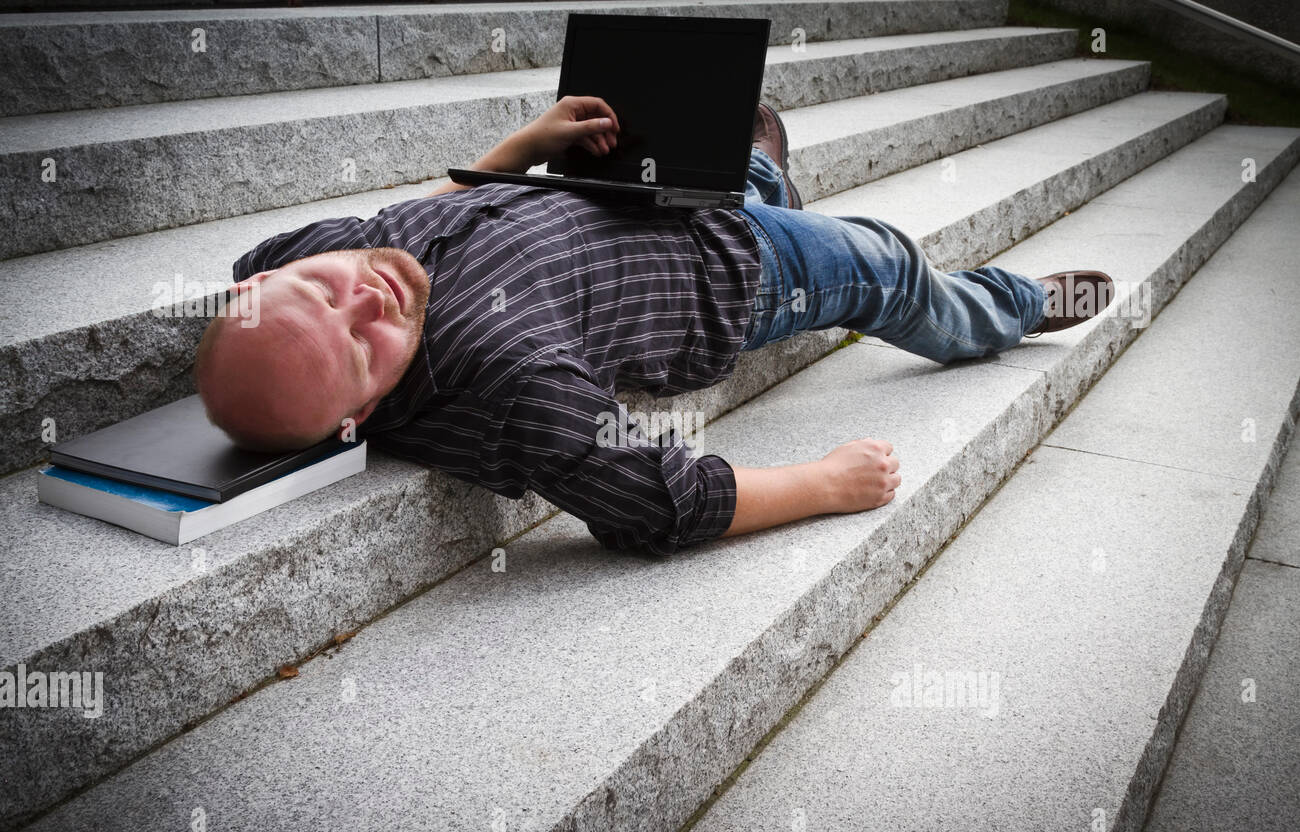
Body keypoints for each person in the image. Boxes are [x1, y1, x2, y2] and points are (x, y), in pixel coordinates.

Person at [196, 96, 1112, 556]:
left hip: (627, 195)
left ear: (275, 274)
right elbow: (658, 503)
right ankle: (1009, 306)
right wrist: (826, 482)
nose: (372, 298)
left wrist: (523, 150)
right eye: (362, 348)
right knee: (890, 263)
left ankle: (760, 173)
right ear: (358, 418)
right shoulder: (514, 389)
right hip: (741, 271)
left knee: (738, 136)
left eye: (323, 291)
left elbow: (413, 215)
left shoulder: (288, 263)